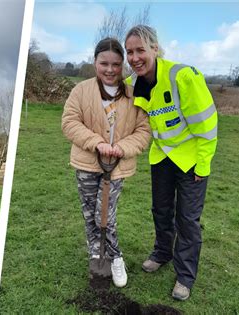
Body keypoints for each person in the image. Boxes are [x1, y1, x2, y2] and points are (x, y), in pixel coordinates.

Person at [124, 25, 218, 301]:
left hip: (191, 159)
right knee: (161, 211)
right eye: (130, 52)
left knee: (187, 219)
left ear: (155, 48)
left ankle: (185, 276)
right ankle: (162, 253)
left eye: (141, 50)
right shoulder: (132, 85)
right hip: (162, 157)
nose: (135, 57)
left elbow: (208, 125)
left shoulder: (182, 77)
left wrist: (203, 164)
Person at [62, 37, 151, 288]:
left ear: (123, 65)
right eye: (104, 64)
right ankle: (95, 254)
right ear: (95, 63)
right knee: (90, 213)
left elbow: (143, 131)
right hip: (87, 163)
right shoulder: (81, 91)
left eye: (115, 64)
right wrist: (96, 143)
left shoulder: (135, 94)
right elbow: (69, 122)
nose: (110, 70)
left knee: (106, 214)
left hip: (117, 166)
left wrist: (121, 148)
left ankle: (115, 257)